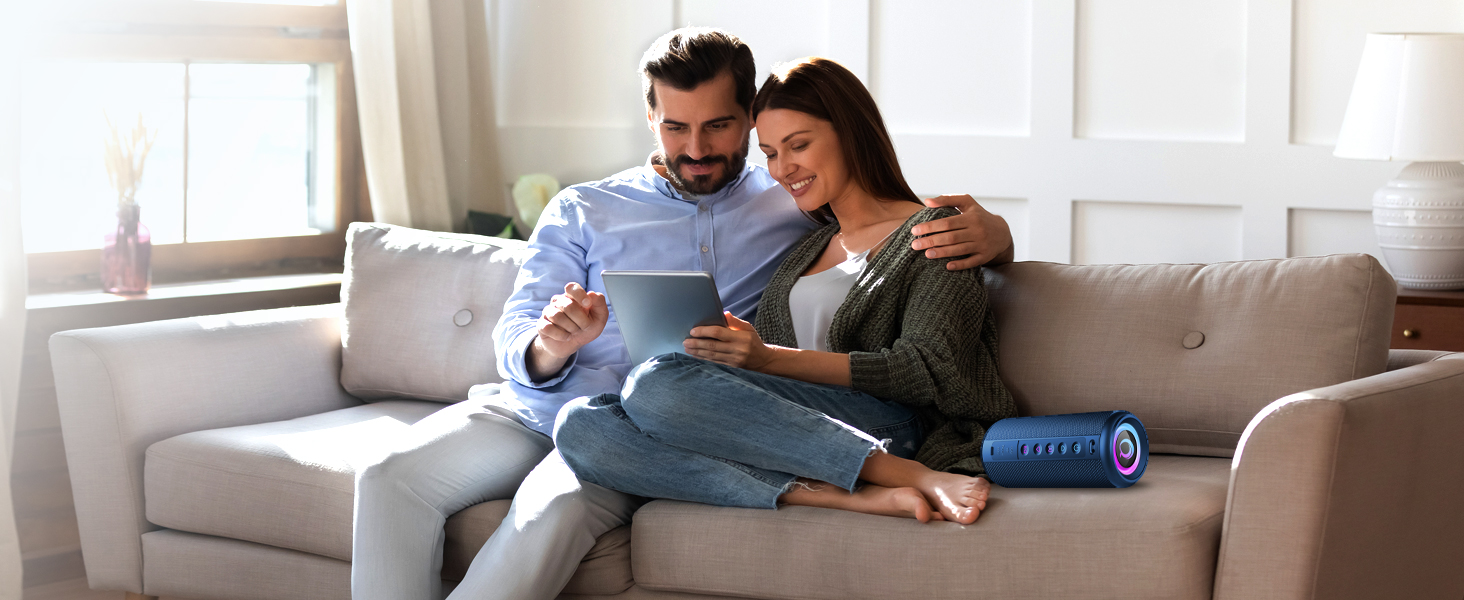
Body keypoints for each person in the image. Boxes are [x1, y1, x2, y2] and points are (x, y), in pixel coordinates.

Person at [350, 28, 1015, 600]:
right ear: (651, 121)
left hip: (680, 416)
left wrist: (998, 240)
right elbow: (518, 333)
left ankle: (869, 476)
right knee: (387, 477)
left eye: (719, 126)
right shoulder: (585, 208)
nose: (696, 148)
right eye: (676, 127)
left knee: (550, 506)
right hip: (545, 406)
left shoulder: (788, 199)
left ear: (749, 118)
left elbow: (893, 234)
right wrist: (551, 346)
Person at [554, 56, 1015, 525]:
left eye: (799, 145)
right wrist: (732, 356)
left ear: (850, 133)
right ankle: (842, 494)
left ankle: (907, 473)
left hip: (895, 424)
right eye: (771, 153)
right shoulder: (809, 243)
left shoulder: (933, 232)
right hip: (790, 426)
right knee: (582, 425)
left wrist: (766, 359)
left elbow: (928, 371)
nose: (782, 169)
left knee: (655, 383)